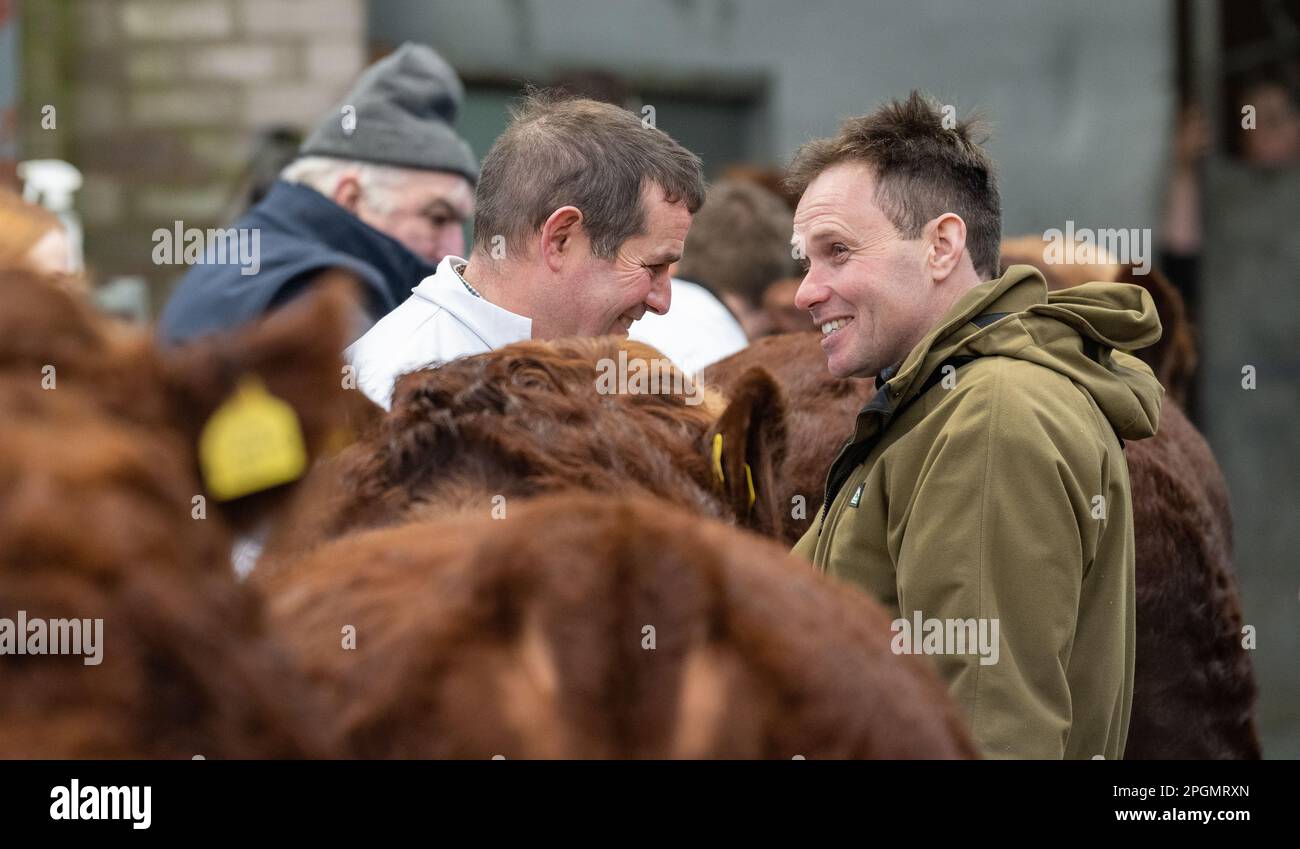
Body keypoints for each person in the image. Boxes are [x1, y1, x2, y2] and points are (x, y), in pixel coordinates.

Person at [788, 92, 1164, 759]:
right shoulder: (936, 403)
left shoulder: (989, 419)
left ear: (941, 245)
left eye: (837, 251)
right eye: (804, 259)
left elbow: (993, 732)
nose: (805, 290)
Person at [347, 91, 705, 409]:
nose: (663, 302)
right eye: (653, 267)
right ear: (560, 239)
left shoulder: (597, 371)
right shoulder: (389, 393)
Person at [158, 43, 478, 345]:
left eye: (459, 223)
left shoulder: (258, 256)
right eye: (437, 218)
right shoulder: (316, 296)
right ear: (351, 197)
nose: (453, 249)